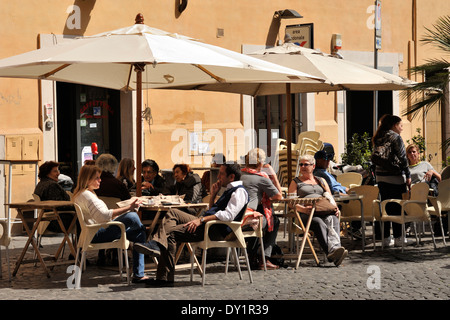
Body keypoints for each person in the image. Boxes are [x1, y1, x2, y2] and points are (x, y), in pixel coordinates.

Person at [134, 162, 248, 286]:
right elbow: (213, 210)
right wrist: (213, 195)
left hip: (212, 229)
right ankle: (156, 245)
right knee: (172, 212)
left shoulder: (239, 192)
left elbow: (228, 216)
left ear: (231, 177)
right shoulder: (229, 190)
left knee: (169, 233)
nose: (218, 177)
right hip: (207, 224)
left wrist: (201, 220)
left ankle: (164, 278)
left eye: (221, 174)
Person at [72, 164, 161, 283]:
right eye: (97, 178)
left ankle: (139, 274)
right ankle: (141, 267)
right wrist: (130, 207)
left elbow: (101, 217)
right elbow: (104, 216)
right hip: (97, 233)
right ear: (88, 179)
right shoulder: (87, 195)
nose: (100, 180)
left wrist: (120, 215)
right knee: (132, 216)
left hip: (93, 231)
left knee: (139, 233)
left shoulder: (82, 193)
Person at [288, 155, 348, 267]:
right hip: (306, 214)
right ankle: (332, 252)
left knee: (333, 218)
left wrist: (334, 207)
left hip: (323, 210)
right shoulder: (295, 182)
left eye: (306, 164)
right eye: (301, 164)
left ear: (313, 166)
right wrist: (304, 209)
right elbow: (291, 203)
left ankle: (334, 250)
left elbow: (329, 196)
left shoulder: (321, 180)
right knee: (318, 222)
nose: (303, 167)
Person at [372, 114, 413, 247]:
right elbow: (402, 157)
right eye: (401, 125)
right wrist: (408, 175)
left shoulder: (378, 137)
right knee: (397, 207)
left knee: (386, 206)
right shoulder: (395, 137)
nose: (402, 128)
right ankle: (399, 238)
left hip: (380, 177)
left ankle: (385, 238)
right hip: (395, 177)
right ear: (394, 125)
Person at [240, 148, 282, 270]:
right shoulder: (261, 178)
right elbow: (278, 195)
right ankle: (264, 258)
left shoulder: (239, 174)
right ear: (260, 164)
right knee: (273, 221)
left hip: (234, 218)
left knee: (261, 216)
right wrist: (273, 175)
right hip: (247, 219)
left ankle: (252, 255)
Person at [33, 161, 75, 234]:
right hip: (57, 221)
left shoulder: (40, 184)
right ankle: (83, 243)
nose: (58, 173)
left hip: (46, 220)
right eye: (55, 171)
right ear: (47, 173)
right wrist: (76, 206)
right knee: (81, 217)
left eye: (58, 170)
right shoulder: (52, 185)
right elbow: (59, 205)